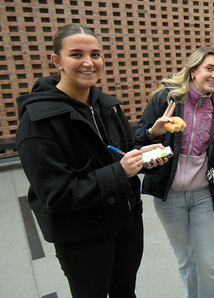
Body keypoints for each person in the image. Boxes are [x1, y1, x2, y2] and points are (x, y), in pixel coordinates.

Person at [15, 24, 166, 298]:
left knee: (125, 292)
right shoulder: (38, 122)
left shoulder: (107, 106)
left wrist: (143, 156)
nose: (88, 62)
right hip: (82, 237)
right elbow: (55, 194)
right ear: (57, 61)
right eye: (76, 54)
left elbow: (125, 148)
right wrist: (119, 172)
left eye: (95, 54)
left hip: (126, 225)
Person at [135, 46, 214, 298]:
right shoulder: (165, 100)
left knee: (209, 263)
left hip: (204, 194)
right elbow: (136, 140)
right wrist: (154, 133)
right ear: (193, 71)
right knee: (186, 261)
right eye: (209, 68)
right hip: (170, 197)